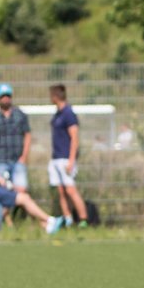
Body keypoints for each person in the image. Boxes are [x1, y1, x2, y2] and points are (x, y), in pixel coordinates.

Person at [48, 84, 89, 229]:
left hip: (66, 158)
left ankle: (83, 219)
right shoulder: (57, 113)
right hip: (56, 157)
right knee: (60, 190)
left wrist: (71, 160)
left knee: (70, 189)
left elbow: (74, 138)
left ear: (55, 96)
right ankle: (68, 219)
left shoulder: (68, 113)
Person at [0, 83, 31, 195]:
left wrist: (24, 157)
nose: (5, 99)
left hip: (18, 160)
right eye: (3, 96)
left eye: (7, 96)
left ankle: (17, 212)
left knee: (21, 191)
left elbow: (27, 135)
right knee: (2, 192)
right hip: (1, 160)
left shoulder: (20, 115)